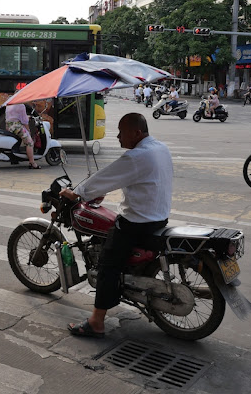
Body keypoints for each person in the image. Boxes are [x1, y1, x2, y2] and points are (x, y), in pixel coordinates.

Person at [60, 113, 172, 338]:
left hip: (138, 223)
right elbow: (135, 180)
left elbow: (106, 175)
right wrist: (99, 192)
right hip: (159, 218)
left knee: (107, 264)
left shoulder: (136, 156)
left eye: (122, 131)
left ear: (137, 133)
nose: (118, 136)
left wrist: (76, 193)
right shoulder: (160, 148)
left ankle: (96, 321)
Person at [5, 102, 40, 169]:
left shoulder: (9, 104)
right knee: (29, 142)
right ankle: (32, 163)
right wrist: (28, 131)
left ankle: (14, 159)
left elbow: (15, 116)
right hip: (16, 127)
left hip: (9, 126)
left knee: (18, 139)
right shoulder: (21, 106)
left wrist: (27, 117)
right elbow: (24, 121)